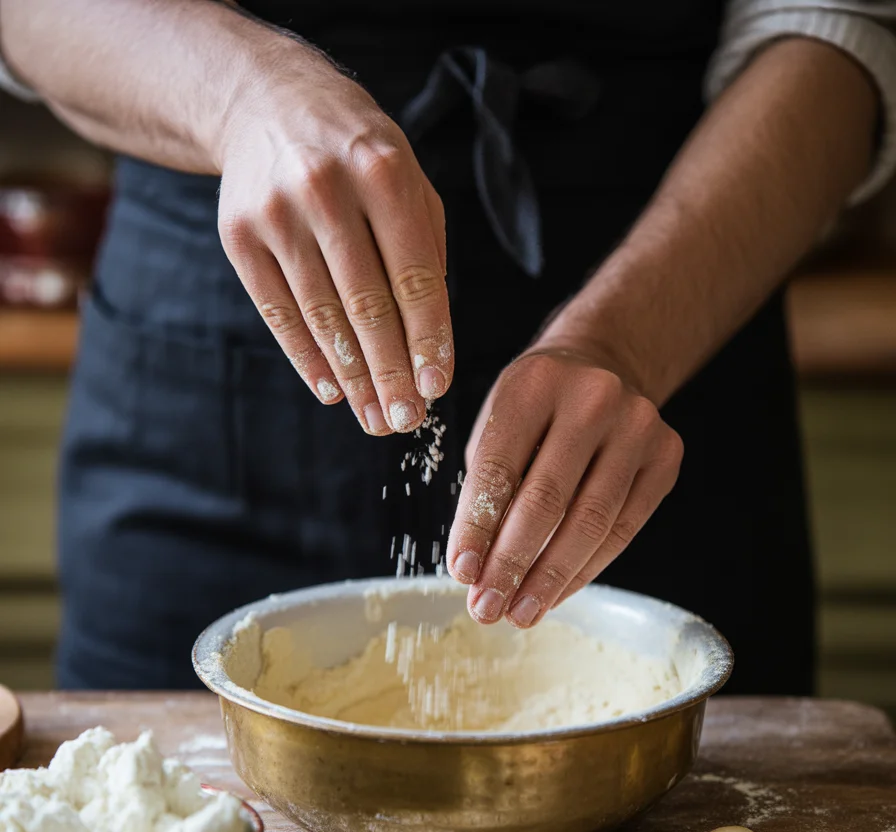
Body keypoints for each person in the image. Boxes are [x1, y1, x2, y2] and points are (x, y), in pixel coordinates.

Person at [1, 1, 894, 694]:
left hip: (676, 304)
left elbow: (835, 27)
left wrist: (622, 343)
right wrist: (239, 93)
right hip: (208, 361)